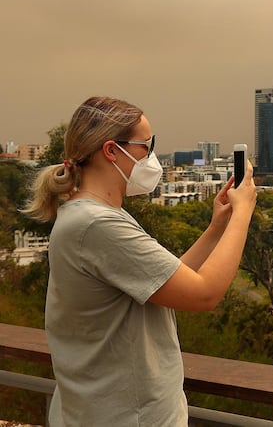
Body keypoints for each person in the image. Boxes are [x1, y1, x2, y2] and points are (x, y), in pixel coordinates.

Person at [23, 96, 257, 426]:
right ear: (111, 150)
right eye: (146, 146)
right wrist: (243, 214)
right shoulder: (98, 226)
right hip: (126, 416)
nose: (151, 158)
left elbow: (167, 280)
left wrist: (216, 228)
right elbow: (205, 294)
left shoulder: (94, 216)